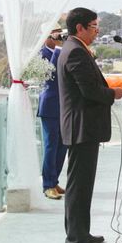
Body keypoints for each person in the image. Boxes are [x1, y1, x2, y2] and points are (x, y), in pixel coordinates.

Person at [58, 8, 122, 243]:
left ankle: (81, 232)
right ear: (80, 28)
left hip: (83, 127)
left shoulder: (73, 48)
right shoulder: (75, 51)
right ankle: (75, 241)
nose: (97, 31)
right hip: (81, 127)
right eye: (94, 27)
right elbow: (89, 91)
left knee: (83, 185)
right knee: (79, 186)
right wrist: (114, 93)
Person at [38, 28, 67, 200]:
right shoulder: (42, 54)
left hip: (63, 106)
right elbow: (51, 75)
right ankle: (47, 184)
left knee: (62, 145)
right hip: (49, 106)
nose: (58, 37)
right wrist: (57, 48)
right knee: (51, 145)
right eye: (55, 34)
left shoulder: (60, 51)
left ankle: (54, 180)